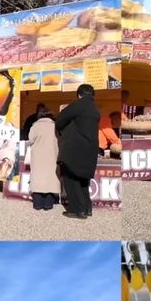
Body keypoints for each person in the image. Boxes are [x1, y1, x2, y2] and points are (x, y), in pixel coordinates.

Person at [55, 84, 100, 219]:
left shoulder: (78, 105)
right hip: (90, 149)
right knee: (83, 181)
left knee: (71, 178)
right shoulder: (95, 109)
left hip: (75, 149)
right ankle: (87, 208)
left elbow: (60, 120)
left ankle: (77, 210)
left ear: (79, 94)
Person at [28, 106, 60, 210]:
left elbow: (30, 139)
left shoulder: (35, 126)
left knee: (38, 178)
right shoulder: (55, 126)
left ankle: (37, 204)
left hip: (38, 156)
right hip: (52, 155)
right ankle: (48, 204)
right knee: (50, 179)